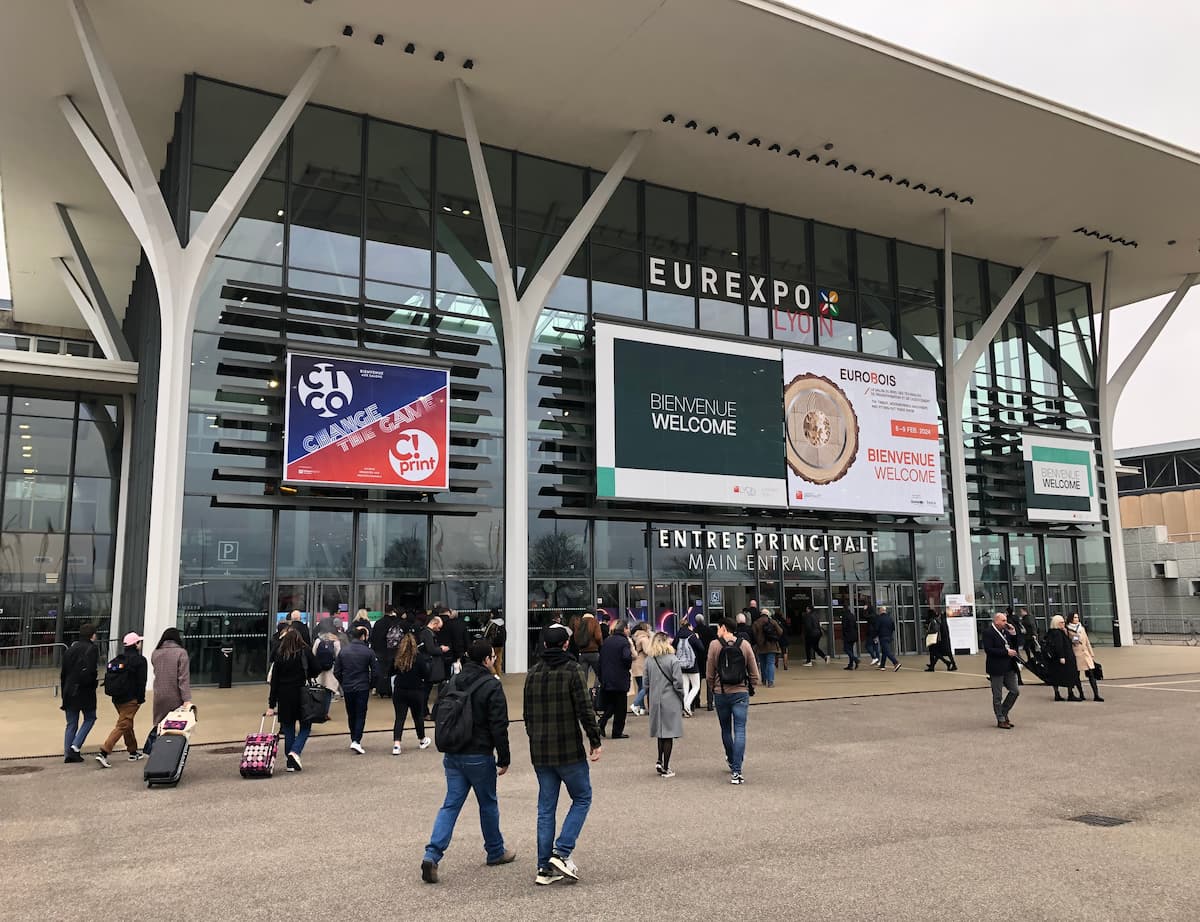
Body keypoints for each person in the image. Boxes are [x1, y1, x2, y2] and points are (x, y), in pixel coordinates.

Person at [421, 641, 514, 884]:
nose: (494, 660)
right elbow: (499, 724)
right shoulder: (491, 685)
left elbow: (439, 709)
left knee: (450, 804)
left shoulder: (454, 681)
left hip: (453, 753)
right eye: (492, 657)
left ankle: (432, 854)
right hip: (479, 753)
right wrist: (504, 757)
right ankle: (495, 850)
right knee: (487, 803)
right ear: (486, 660)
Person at [523, 623, 603, 886]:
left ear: (545, 644)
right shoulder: (573, 671)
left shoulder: (532, 673)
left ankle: (543, 867)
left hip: (541, 750)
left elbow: (527, 715)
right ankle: (562, 850)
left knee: (546, 808)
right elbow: (585, 708)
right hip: (568, 748)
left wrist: (534, 738)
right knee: (582, 797)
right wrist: (594, 739)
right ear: (566, 644)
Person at [706, 617, 761, 785]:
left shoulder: (714, 645)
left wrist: (712, 687)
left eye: (718, 627)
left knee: (725, 729)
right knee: (740, 730)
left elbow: (709, 671)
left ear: (723, 627)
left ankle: (731, 759)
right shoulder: (744, 645)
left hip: (721, 692)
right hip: (740, 693)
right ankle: (737, 771)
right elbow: (754, 672)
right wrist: (750, 686)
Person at [267, 625, 320, 772]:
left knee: (288, 727)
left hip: (284, 695)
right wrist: (307, 674)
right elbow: (317, 667)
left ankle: (290, 761)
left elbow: (274, 682)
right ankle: (295, 752)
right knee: (305, 726)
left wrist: (271, 704)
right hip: (301, 693)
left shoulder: (280, 655)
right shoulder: (305, 652)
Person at [95, 632, 148, 767]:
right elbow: (142, 681)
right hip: (131, 698)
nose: (140, 644)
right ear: (135, 644)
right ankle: (104, 752)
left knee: (126, 723)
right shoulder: (140, 660)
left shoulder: (117, 660)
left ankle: (133, 751)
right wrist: (140, 699)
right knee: (123, 724)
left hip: (117, 698)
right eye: (139, 642)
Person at [145, 627, 193, 755]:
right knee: (175, 727)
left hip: (159, 695)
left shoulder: (156, 653)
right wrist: (186, 699)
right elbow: (183, 678)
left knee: (160, 724)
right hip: (175, 696)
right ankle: (170, 754)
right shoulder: (181, 653)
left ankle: (156, 751)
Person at [334, 624, 380, 753]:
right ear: (362, 637)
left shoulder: (344, 651)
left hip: (348, 686)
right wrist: (371, 684)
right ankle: (356, 740)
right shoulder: (369, 651)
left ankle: (353, 737)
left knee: (351, 713)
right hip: (362, 686)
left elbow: (337, 671)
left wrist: (343, 682)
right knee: (360, 713)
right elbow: (376, 672)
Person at [644, 631, 685, 778]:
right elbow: (678, 682)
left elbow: (645, 683)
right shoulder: (673, 659)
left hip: (655, 699)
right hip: (670, 699)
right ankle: (666, 766)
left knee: (660, 733)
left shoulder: (649, 660)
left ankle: (659, 760)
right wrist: (682, 695)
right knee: (669, 734)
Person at [60, 622, 100, 763]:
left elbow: (64, 672)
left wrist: (63, 690)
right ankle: (75, 746)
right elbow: (91, 671)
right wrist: (93, 683)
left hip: (69, 690)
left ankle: (68, 753)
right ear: (92, 635)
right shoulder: (92, 649)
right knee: (90, 717)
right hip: (84, 690)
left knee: (71, 723)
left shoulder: (70, 649)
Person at [391, 632, 432, 754]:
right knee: (418, 716)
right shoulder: (419, 658)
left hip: (400, 690)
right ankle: (422, 739)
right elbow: (426, 674)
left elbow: (389, 672)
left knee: (399, 718)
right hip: (416, 690)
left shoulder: (398, 657)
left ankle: (397, 744)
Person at [981, 611, 1020, 729]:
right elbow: (989, 650)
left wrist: (1013, 633)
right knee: (997, 695)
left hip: (1009, 666)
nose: (1005, 623)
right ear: (996, 621)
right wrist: (1005, 652)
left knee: (1015, 691)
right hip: (996, 667)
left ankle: (1003, 711)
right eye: (1003, 621)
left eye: (1006, 620)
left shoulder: (1006, 631)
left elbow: (1014, 646)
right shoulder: (988, 632)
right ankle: (1001, 718)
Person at [597, 620, 632, 739]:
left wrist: (602, 676)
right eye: (628, 628)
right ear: (625, 629)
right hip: (620, 678)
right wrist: (628, 666)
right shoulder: (624, 642)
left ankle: (601, 723)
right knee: (621, 707)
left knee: (611, 705)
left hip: (607, 678)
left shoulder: (607, 640)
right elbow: (627, 658)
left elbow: (600, 660)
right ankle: (617, 732)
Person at [1066, 612, 1103, 702]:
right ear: (1071, 619)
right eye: (1075, 617)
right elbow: (1074, 642)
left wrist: (1091, 652)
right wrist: (1075, 635)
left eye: (1077, 617)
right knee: (1077, 675)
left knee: (1091, 674)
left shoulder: (1081, 628)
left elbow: (1087, 641)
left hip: (1085, 653)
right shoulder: (1068, 630)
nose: (1077, 619)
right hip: (1077, 653)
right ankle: (1081, 694)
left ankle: (1096, 695)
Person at [1044, 614, 1079, 702]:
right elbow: (1059, 646)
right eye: (1062, 622)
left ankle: (1059, 693)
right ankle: (1070, 694)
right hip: (1064, 657)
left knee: (1058, 677)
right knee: (1068, 675)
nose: (1064, 624)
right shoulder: (1057, 633)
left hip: (1058, 658)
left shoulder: (1055, 632)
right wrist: (1061, 656)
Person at [420, 614, 449, 720]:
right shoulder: (427, 633)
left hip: (429, 664)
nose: (439, 630)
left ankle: (424, 712)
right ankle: (424, 712)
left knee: (426, 690)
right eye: (439, 627)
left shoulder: (426, 632)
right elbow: (431, 649)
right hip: (429, 666)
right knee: (425, 691)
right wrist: (441, 649)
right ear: (435, 623)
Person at [674, 617, 704, 716]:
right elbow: (701, 648)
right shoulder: (692, 635)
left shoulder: (677, 636)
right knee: (696, 686)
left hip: (681, 665)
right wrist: (698, 639)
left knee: (685, 687)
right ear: (689, 626)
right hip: (692, 665)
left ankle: (685, 710)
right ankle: (687, 705)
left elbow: (673, 647)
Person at [370, 605, 400, 697]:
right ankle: (389, 689)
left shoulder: (378, 623)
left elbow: (373, 637)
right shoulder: (394, 623)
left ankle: (381, 689)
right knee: (391, 670)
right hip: (391, 650)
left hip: (379, 650)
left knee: (381, 670)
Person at [312, 628, 341, 721]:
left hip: (319, 671)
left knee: (317, 691)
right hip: (330, 671)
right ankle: (325, 713)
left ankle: (316, 711)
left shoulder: (318, 641)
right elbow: (338, 656)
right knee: (328, 692)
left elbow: (313, 654)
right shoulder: (336, 642)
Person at [751, 607, 781, 688]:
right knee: (770, 664)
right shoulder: (772, 621)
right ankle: (770, 682)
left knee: (763, 664)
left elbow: (753, 634)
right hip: (772, 646)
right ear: (768, 615)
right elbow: (780, 632)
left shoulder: (756, 623)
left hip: (760, 646)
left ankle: (764, 680)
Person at [574, 611, 602, 689]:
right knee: (600, 673)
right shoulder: (594, 622)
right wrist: (600, 644)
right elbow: (598, 637)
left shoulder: (579, 622)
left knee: (583, 677)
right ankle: (595, 691)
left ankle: (585, 693)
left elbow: (576, 638)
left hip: (582, 653)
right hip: (593, 652)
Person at [695, 614, 718, 710]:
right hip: (708, 658)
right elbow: (716, 641)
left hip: (697, 659)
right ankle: (709, 703)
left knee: (697, 682)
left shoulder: (694, 631)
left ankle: (697, 702)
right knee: (709, 681)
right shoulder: (709, 630)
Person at [629, 621, 652, 716]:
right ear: (645, 629)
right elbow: (647, 651)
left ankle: (642, 708)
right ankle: (635, 704)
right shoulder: (644, 639)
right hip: (642, 664)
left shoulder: (636, 637)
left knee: (641, 687)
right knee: (646, 687)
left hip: (635, 664)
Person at [440, 607, 470, 676]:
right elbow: (466, 639)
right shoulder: (462, 624)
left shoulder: (444, 624)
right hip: (458, 652)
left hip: (447, 652)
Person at [875, 605, 901, 671]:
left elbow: (877, 628)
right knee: (884, 651)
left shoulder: (879, 618)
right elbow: (893, 627)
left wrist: (875, 636)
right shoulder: (890, 618)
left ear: (880, 611)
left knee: (887, 651)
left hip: (882, 636)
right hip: (889, 636)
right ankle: (882, 666)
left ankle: (895, 662)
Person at [483, 608, 506, 675]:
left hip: (492, 645)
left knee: (490, 660)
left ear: (492, 614)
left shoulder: (491, 622)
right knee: (498, 661)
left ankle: (494, 674)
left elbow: (486, 634)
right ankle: (498, 675)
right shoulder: (502, 622)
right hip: (500, 645)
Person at [840, 605, 860, 670]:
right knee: (850, 650)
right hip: (854, 635)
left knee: (846, 649)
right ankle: (851, 664)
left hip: (848, 635)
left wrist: (843, 635)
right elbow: (855, 626)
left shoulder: (845, 616)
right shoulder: (852, 615)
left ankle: (855, 659)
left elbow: (844, 627)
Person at [863, 601, 880, 665]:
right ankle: (878, 661)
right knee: (876, 647)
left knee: (868, 646)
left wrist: (864, 610)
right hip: (876, 633)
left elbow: (864, 616)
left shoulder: (871, 616)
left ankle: (874, 657)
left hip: (871, 633)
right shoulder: (877, 616)